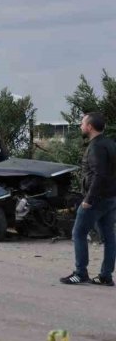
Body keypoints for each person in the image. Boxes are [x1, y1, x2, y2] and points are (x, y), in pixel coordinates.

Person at [60, 112, 116, 286]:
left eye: (82, 123)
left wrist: (88, 199)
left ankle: (80, 273)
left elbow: (99, 175)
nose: (80, 126)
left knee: (78, 233)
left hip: (96, 199)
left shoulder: (95, 147)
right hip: (110, 198)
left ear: (90, 127)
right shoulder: (110, 143)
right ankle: (106, 275)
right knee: (108, 236)